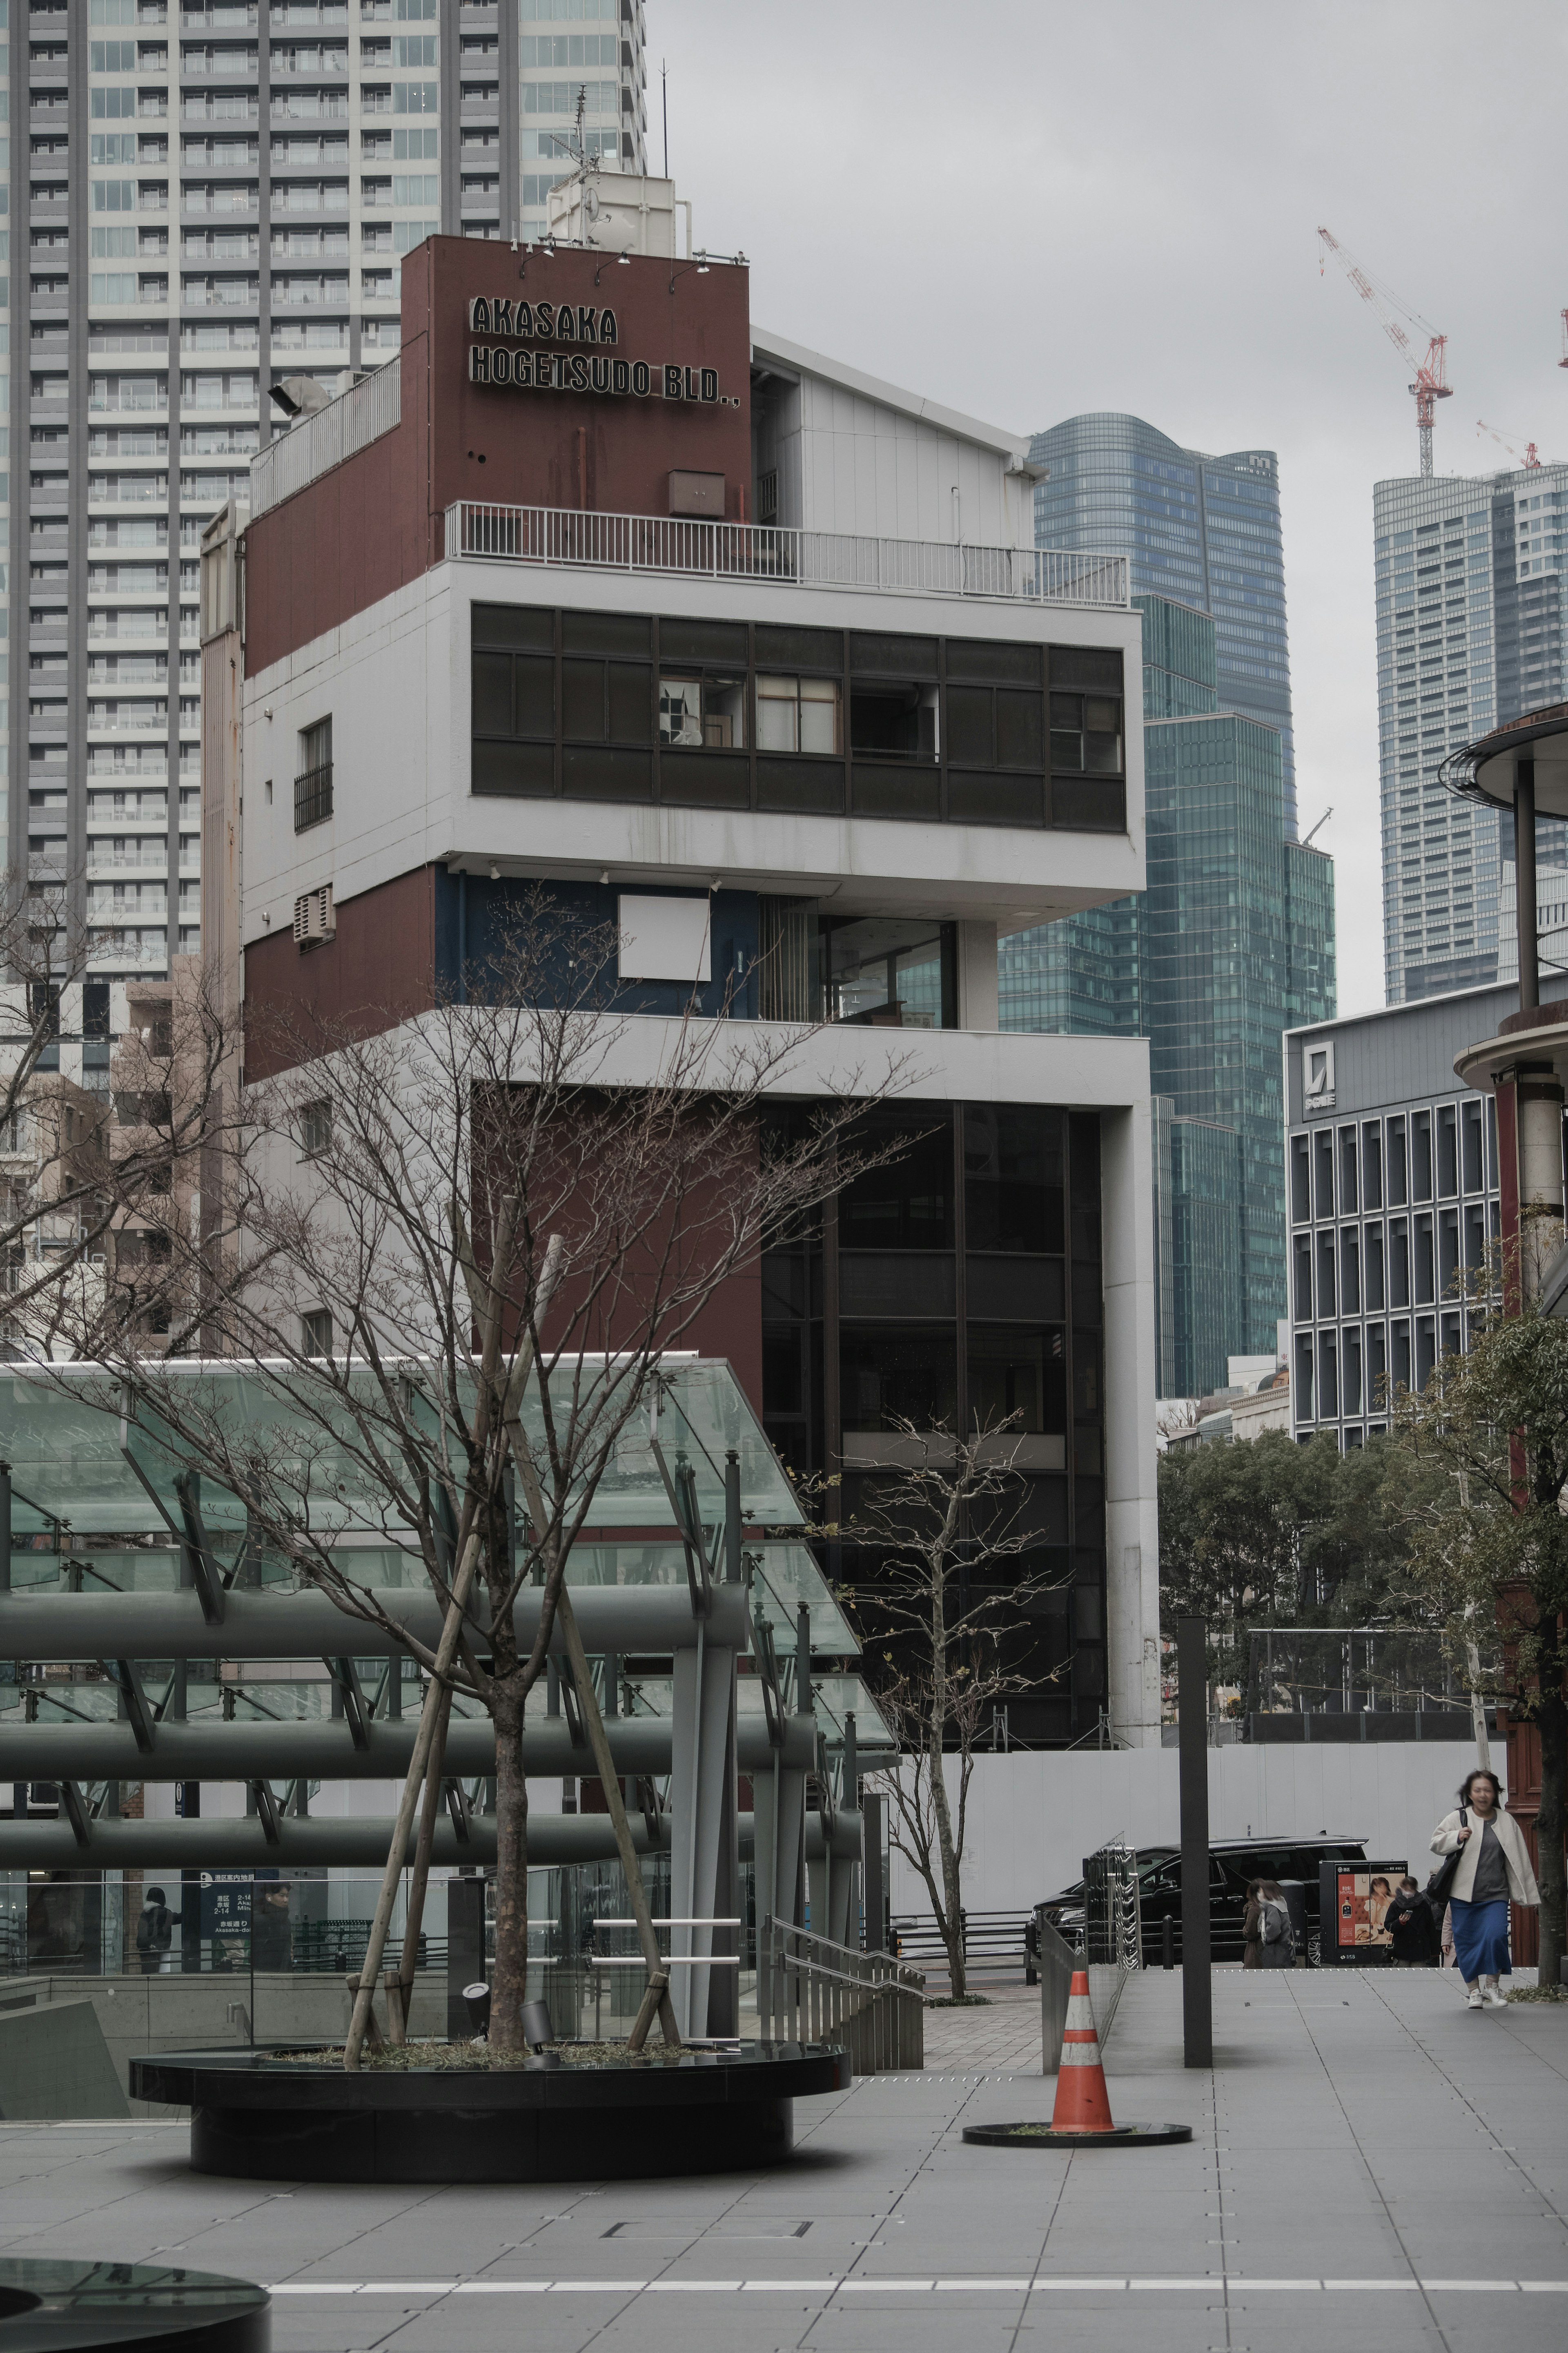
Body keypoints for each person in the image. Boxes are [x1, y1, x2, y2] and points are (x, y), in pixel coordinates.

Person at [1430, 1768, 1539, 2010]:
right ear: (1470, 1793)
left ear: (1495, 1793)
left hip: (1495, 1895)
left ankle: (1493, 1985)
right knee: (1467, 1944)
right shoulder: (1458, 1818)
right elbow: (1435, 1844)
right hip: (1462, 1895)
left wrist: (1527, 1891)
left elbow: (1520, 1857)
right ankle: (1474, 1993)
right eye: (1477, 1790)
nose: (1482, 1795)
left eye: (1487, 1790)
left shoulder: (1506, 1821)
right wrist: (1457, 1837)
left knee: (1496, 1937)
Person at [1384, 1876, 1438, 1967]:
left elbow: (1431, 1928)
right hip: (1401, 1950)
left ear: (1415, 1889)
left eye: (1411, 1890)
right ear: (1402, 1888)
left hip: (1420, 1951)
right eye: (1406, 1889)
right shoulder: (1395, 1905)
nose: (1408, 1893)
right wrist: (1400, 1922)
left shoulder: (1423, 1905)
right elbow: (1389, 1926)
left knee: (1419, 1977)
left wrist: (1435, 1950)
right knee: (1402, 1978)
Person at [1242, 1877, 1295, 1969]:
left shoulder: (1272, 1907)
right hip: (1282, 1948)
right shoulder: (1280, 1904)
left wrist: (1266, 1939)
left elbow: (1274, 1927)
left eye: (1261, 1891)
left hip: (1275, 1950)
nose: (1259, 1894)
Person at [136, 1886, 173, 1976]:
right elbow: (177, 1918)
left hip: (145, 1949)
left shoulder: (144, 1913)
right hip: (160, 1948)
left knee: (147, 1974)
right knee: (162, 1976)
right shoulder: (164, 1912)